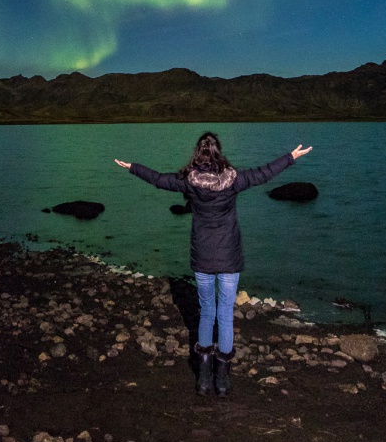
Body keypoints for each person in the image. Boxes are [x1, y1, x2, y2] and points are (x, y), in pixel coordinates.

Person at [115, 131, 312, 396]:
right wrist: (290, 157)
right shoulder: (234, 179)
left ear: (197, 155)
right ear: (219, 153)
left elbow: (160, 180)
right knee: (225, 315)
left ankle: (204, 379)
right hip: (229, 257)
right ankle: (222, 380)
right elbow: (264, 173)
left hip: (203, 258)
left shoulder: (189, 181)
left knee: (206, 312)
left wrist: (133, 168)